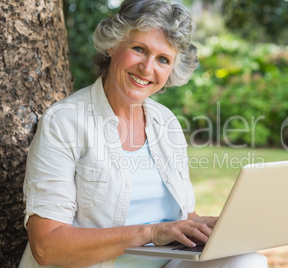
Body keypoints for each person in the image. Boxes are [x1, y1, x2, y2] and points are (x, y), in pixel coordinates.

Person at [19, 0, 268, 267]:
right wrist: (150, 233)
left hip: (167, 264)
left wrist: (207, 225)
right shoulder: (64, 122)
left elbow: (181, 216)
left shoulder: (166, 123)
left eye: (163, 59)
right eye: (139, 49)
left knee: (247, 261)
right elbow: (47, 247)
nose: (147, 68)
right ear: (113, 45)